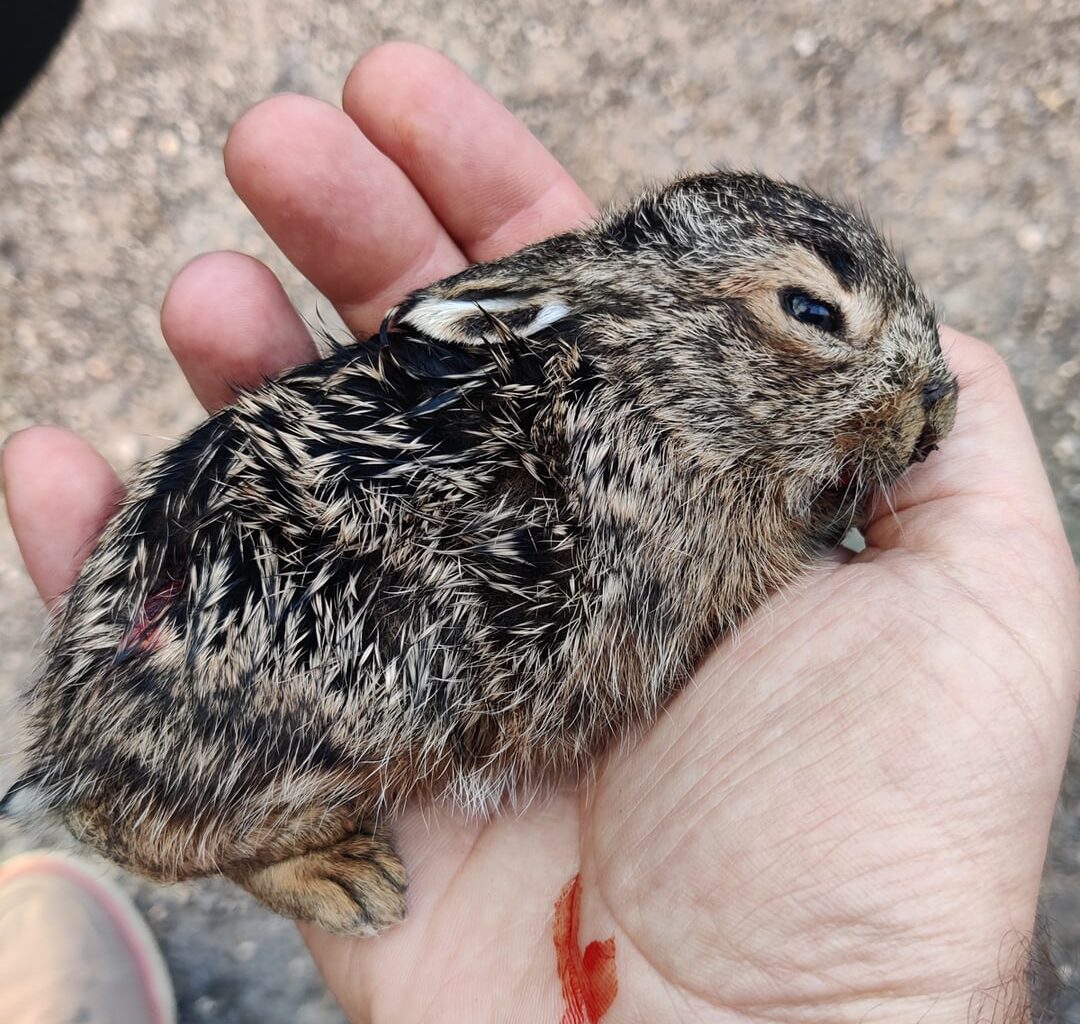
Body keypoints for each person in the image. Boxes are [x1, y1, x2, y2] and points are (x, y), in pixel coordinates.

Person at [3, 42, 1078, 1024]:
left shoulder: (619, 412)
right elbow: (610, 659)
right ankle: (223, 833)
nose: (925, 395)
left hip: (191, 594)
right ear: (644, 315)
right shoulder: (657, 483)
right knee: (369, 670)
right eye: (811, 319)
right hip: (239, 657)